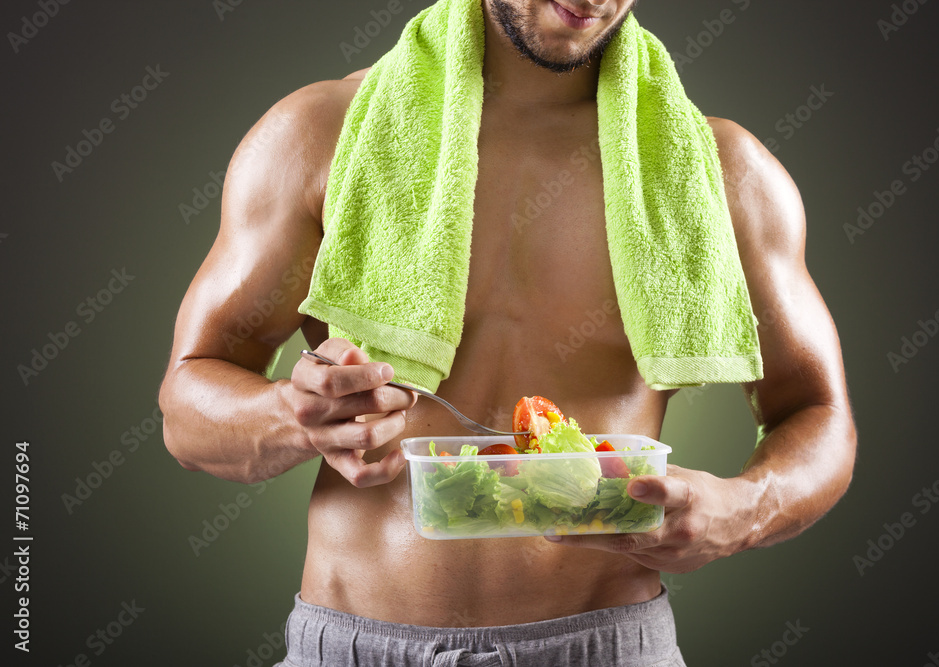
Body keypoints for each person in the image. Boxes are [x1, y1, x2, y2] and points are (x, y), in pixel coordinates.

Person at [158, 0, 856, 665]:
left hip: (608, 647)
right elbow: (186, 409)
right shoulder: (320, 137)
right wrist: (293, 414)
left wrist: (745, 507)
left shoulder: (721, 175)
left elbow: (821, 415)